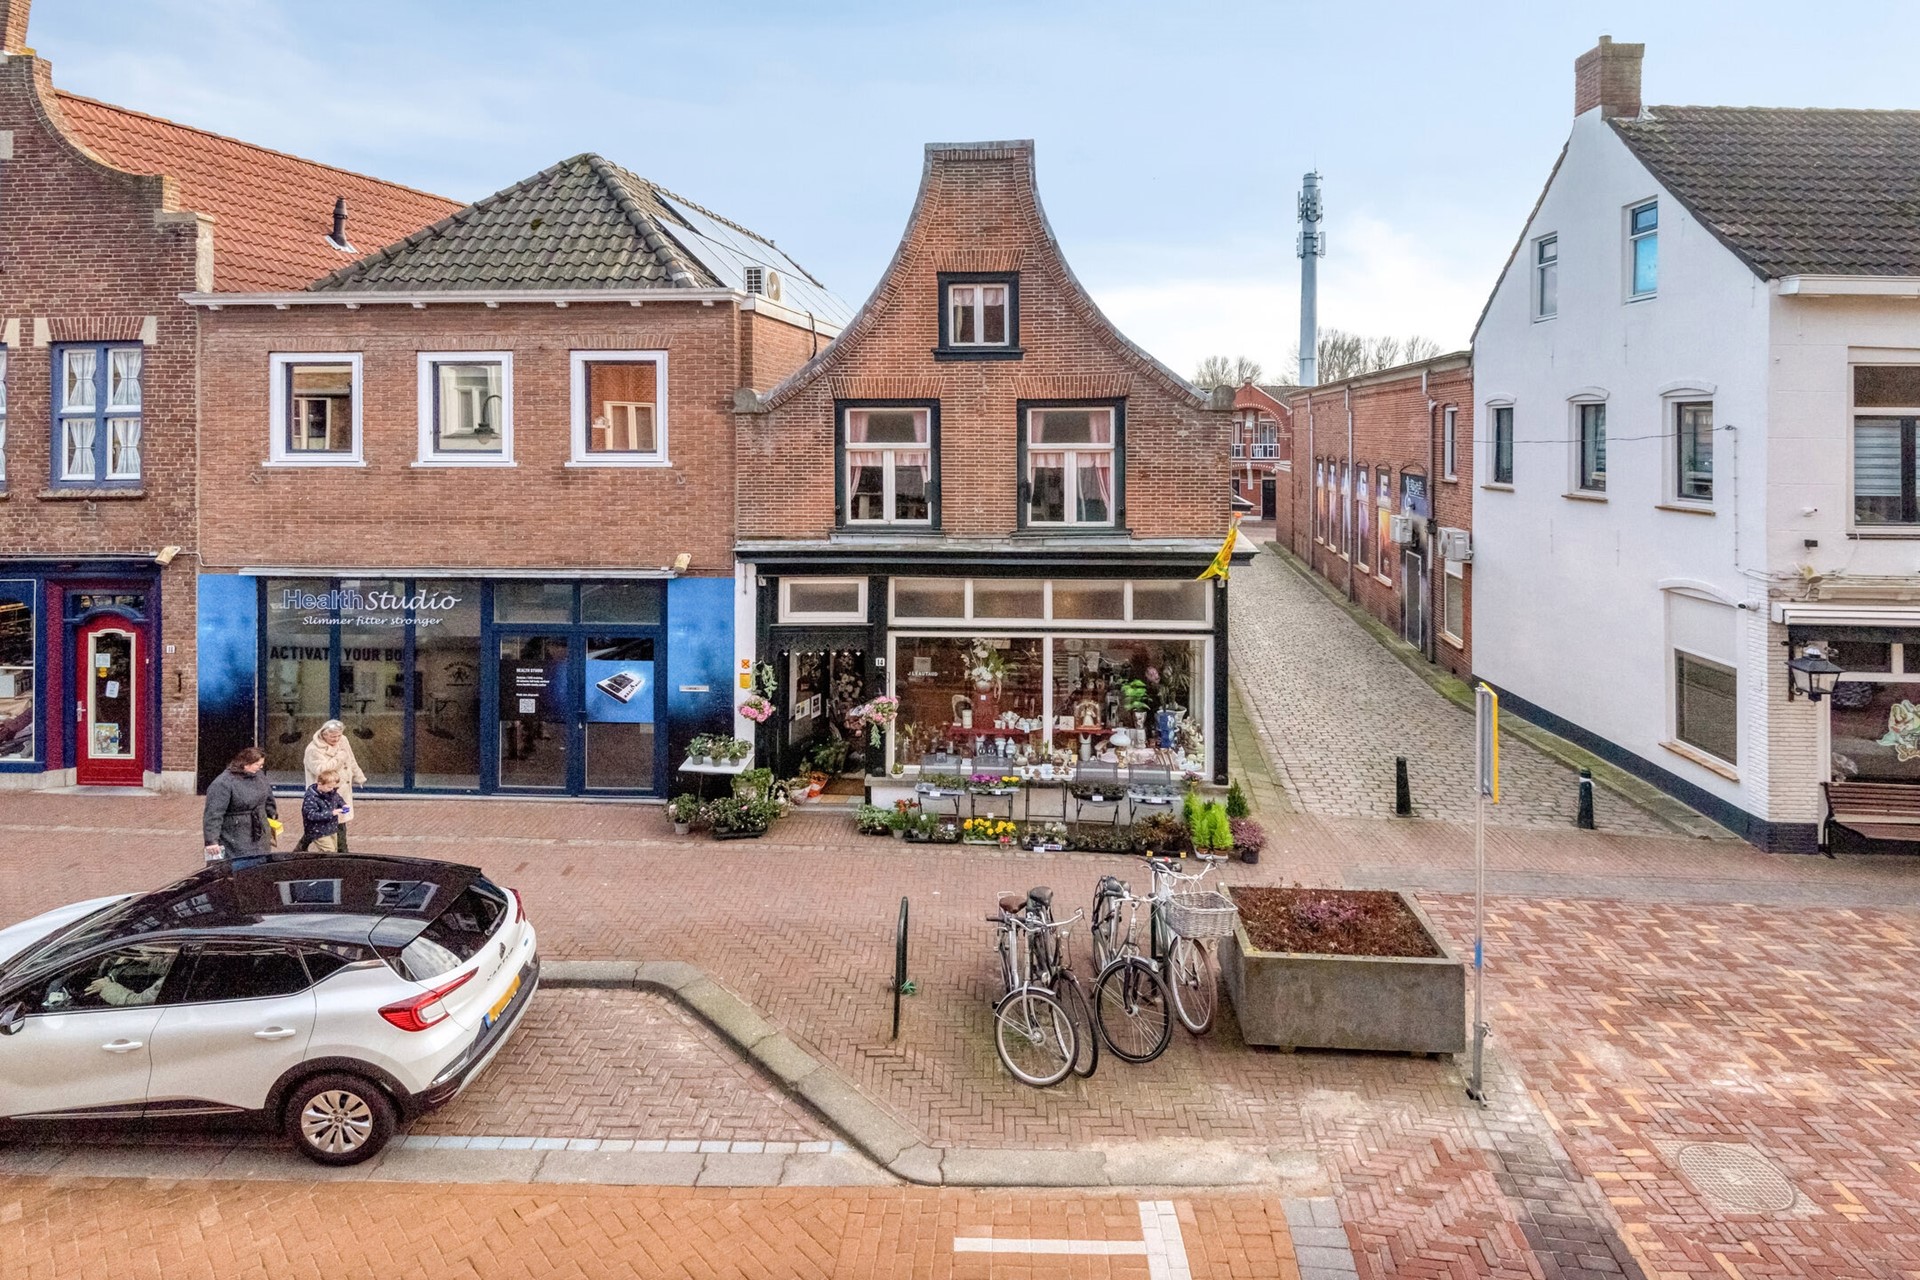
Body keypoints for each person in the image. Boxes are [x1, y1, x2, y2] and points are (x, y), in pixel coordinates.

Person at [203, 746, 278, 863]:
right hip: (235, 835)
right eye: (257, 765)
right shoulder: (223, 783)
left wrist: (271, 816)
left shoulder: (259, 776)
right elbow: (214, 813)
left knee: (260, 865)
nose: (260, 767)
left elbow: (268, 798)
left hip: (259, 832)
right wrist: (212, 841)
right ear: (246, 764)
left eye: (261, 765)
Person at [304, 720, 367, 852]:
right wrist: (339, 758)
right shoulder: (313, 749)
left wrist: (358, 776)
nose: (337, 739)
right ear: (324, 734)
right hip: (323, 794)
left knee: (335, 822)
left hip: (340, 791)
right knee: (325, 823)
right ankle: (342, 853)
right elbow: (321, 770)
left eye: (339, 736)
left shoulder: (343, 740)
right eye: (333, 737)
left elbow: (351, 759)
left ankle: (340, 852)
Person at [297, 766, 349, 853]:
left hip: (331, 828)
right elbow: (311, 815)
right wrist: (331, 813)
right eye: (329, 787)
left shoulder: (332, 792)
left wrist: (343, 805)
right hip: (318, 830)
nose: (331, 789)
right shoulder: (311, 797)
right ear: (320, 783)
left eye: (333, 787)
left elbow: (338, 799)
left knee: (333, 850)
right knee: (328, 851)